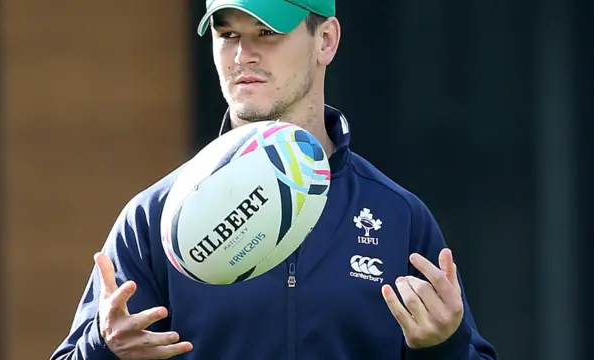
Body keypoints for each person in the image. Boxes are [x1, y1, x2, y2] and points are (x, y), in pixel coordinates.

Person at [50, 0, 499, 359]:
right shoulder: (154, 217)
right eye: (228, 35)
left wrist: (445, 348)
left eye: (267, 32)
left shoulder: (397, 216)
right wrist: (101, 349)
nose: (244, 54)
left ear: (325, 40)